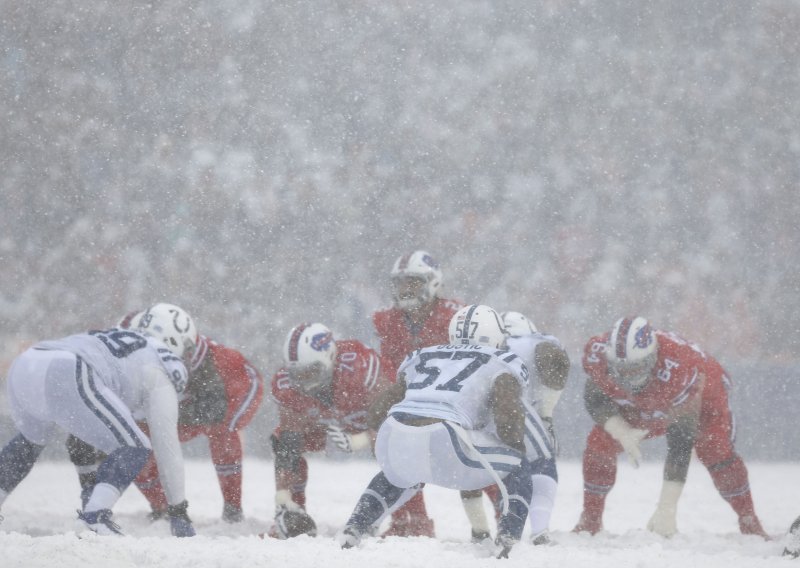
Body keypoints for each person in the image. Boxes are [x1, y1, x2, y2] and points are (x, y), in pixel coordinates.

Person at [339, 304, 541, 559]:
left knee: (398, 472)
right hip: (447, 436)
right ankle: (508, 538)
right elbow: (507, 414)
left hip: (393, 431)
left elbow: (378, 411)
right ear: (495, 334)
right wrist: (514, 441)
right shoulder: (502, 360)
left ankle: (355, 526)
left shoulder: (422, 354)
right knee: (518, 464)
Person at [0, 302, 197, 536]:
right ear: (175, 338)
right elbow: (167, 445)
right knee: (136, 445)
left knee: (28, 443)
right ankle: (95, 517)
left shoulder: (114, 338)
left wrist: (88, 484)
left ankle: (93, 512)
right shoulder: (161, 363)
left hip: (28, 363)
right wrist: (178, 510)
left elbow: (83, 427)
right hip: (68, 369)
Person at [573, 316, 768, 538]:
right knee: (600, 442)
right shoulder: (598, 352)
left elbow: (680, 441)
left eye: (636, 368)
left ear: (653, 356)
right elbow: (594, 396)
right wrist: (621, 431)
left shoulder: (680, 366)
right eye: (622, 369)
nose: (628, 376)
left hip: (703, 398)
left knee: (714, 449)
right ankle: (590, 518)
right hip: (651, 396)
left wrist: (667, 506)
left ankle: (748, 518)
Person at [67, 315, 265, 523]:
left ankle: (232, 508)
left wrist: (192, 412)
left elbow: (233, 400)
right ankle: (161, 507)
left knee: (223, 429)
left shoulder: (223, 365)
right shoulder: (130, 354)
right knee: (133, 443)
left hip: (209, 402)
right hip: (168, 402)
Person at [370, 249, 463, 537]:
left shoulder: (455, 316)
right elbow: (388, 368)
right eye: (400, 283)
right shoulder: (387, 320)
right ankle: (409, 519)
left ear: (432, 282)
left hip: (453, 400)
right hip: (411, 400)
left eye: (412, 282)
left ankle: (503, 518)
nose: (404, 289)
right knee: (394, 450)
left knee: (476, 457)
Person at [268, 322, 391, 538]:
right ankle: (292, 513)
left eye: (311, 372)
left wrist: (359, 440)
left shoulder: (359, 365)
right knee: (284, 441)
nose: (305, 382)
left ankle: (411, 518)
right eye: (298, 374)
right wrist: (282, 497)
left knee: (398, 450)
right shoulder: (287, 386)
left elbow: (395, 422)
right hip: (323, 422)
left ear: (330, 356)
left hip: (367, 418)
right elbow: (289, 439)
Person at [461, 310, 570, 545]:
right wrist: (546, 415)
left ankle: (480, 531)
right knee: (540, 459)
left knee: (473, 470)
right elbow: (553, 359)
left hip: (467, 408)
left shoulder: (470, 345)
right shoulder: (534, 343)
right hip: (508, 405)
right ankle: (538, 530)